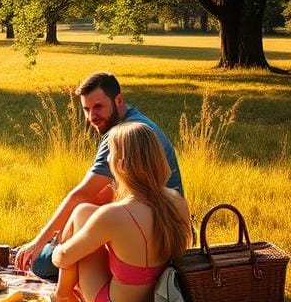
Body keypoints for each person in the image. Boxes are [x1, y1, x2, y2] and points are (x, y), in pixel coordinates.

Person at [15, 71, 183, 279]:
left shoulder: (119, 135)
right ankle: (58, 242)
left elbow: (81, 195)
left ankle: (59, 274)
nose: (92, 116)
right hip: (167, 232)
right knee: (89, 207)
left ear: (118, 100)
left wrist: (37, 243)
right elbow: (108, 192)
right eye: (86, 109)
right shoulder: (139, 123)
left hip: (147, 237)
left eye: (98, 107)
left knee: (41, 263)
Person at [51, 122, 192, 302]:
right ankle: (63, 296)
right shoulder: (176, 199)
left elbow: (65, 258)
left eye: (110, 153)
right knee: (83, 211)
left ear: (121, 163)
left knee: (78, 221)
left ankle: (60, 297)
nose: (107, 158)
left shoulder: (114, 215)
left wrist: (58, 248)